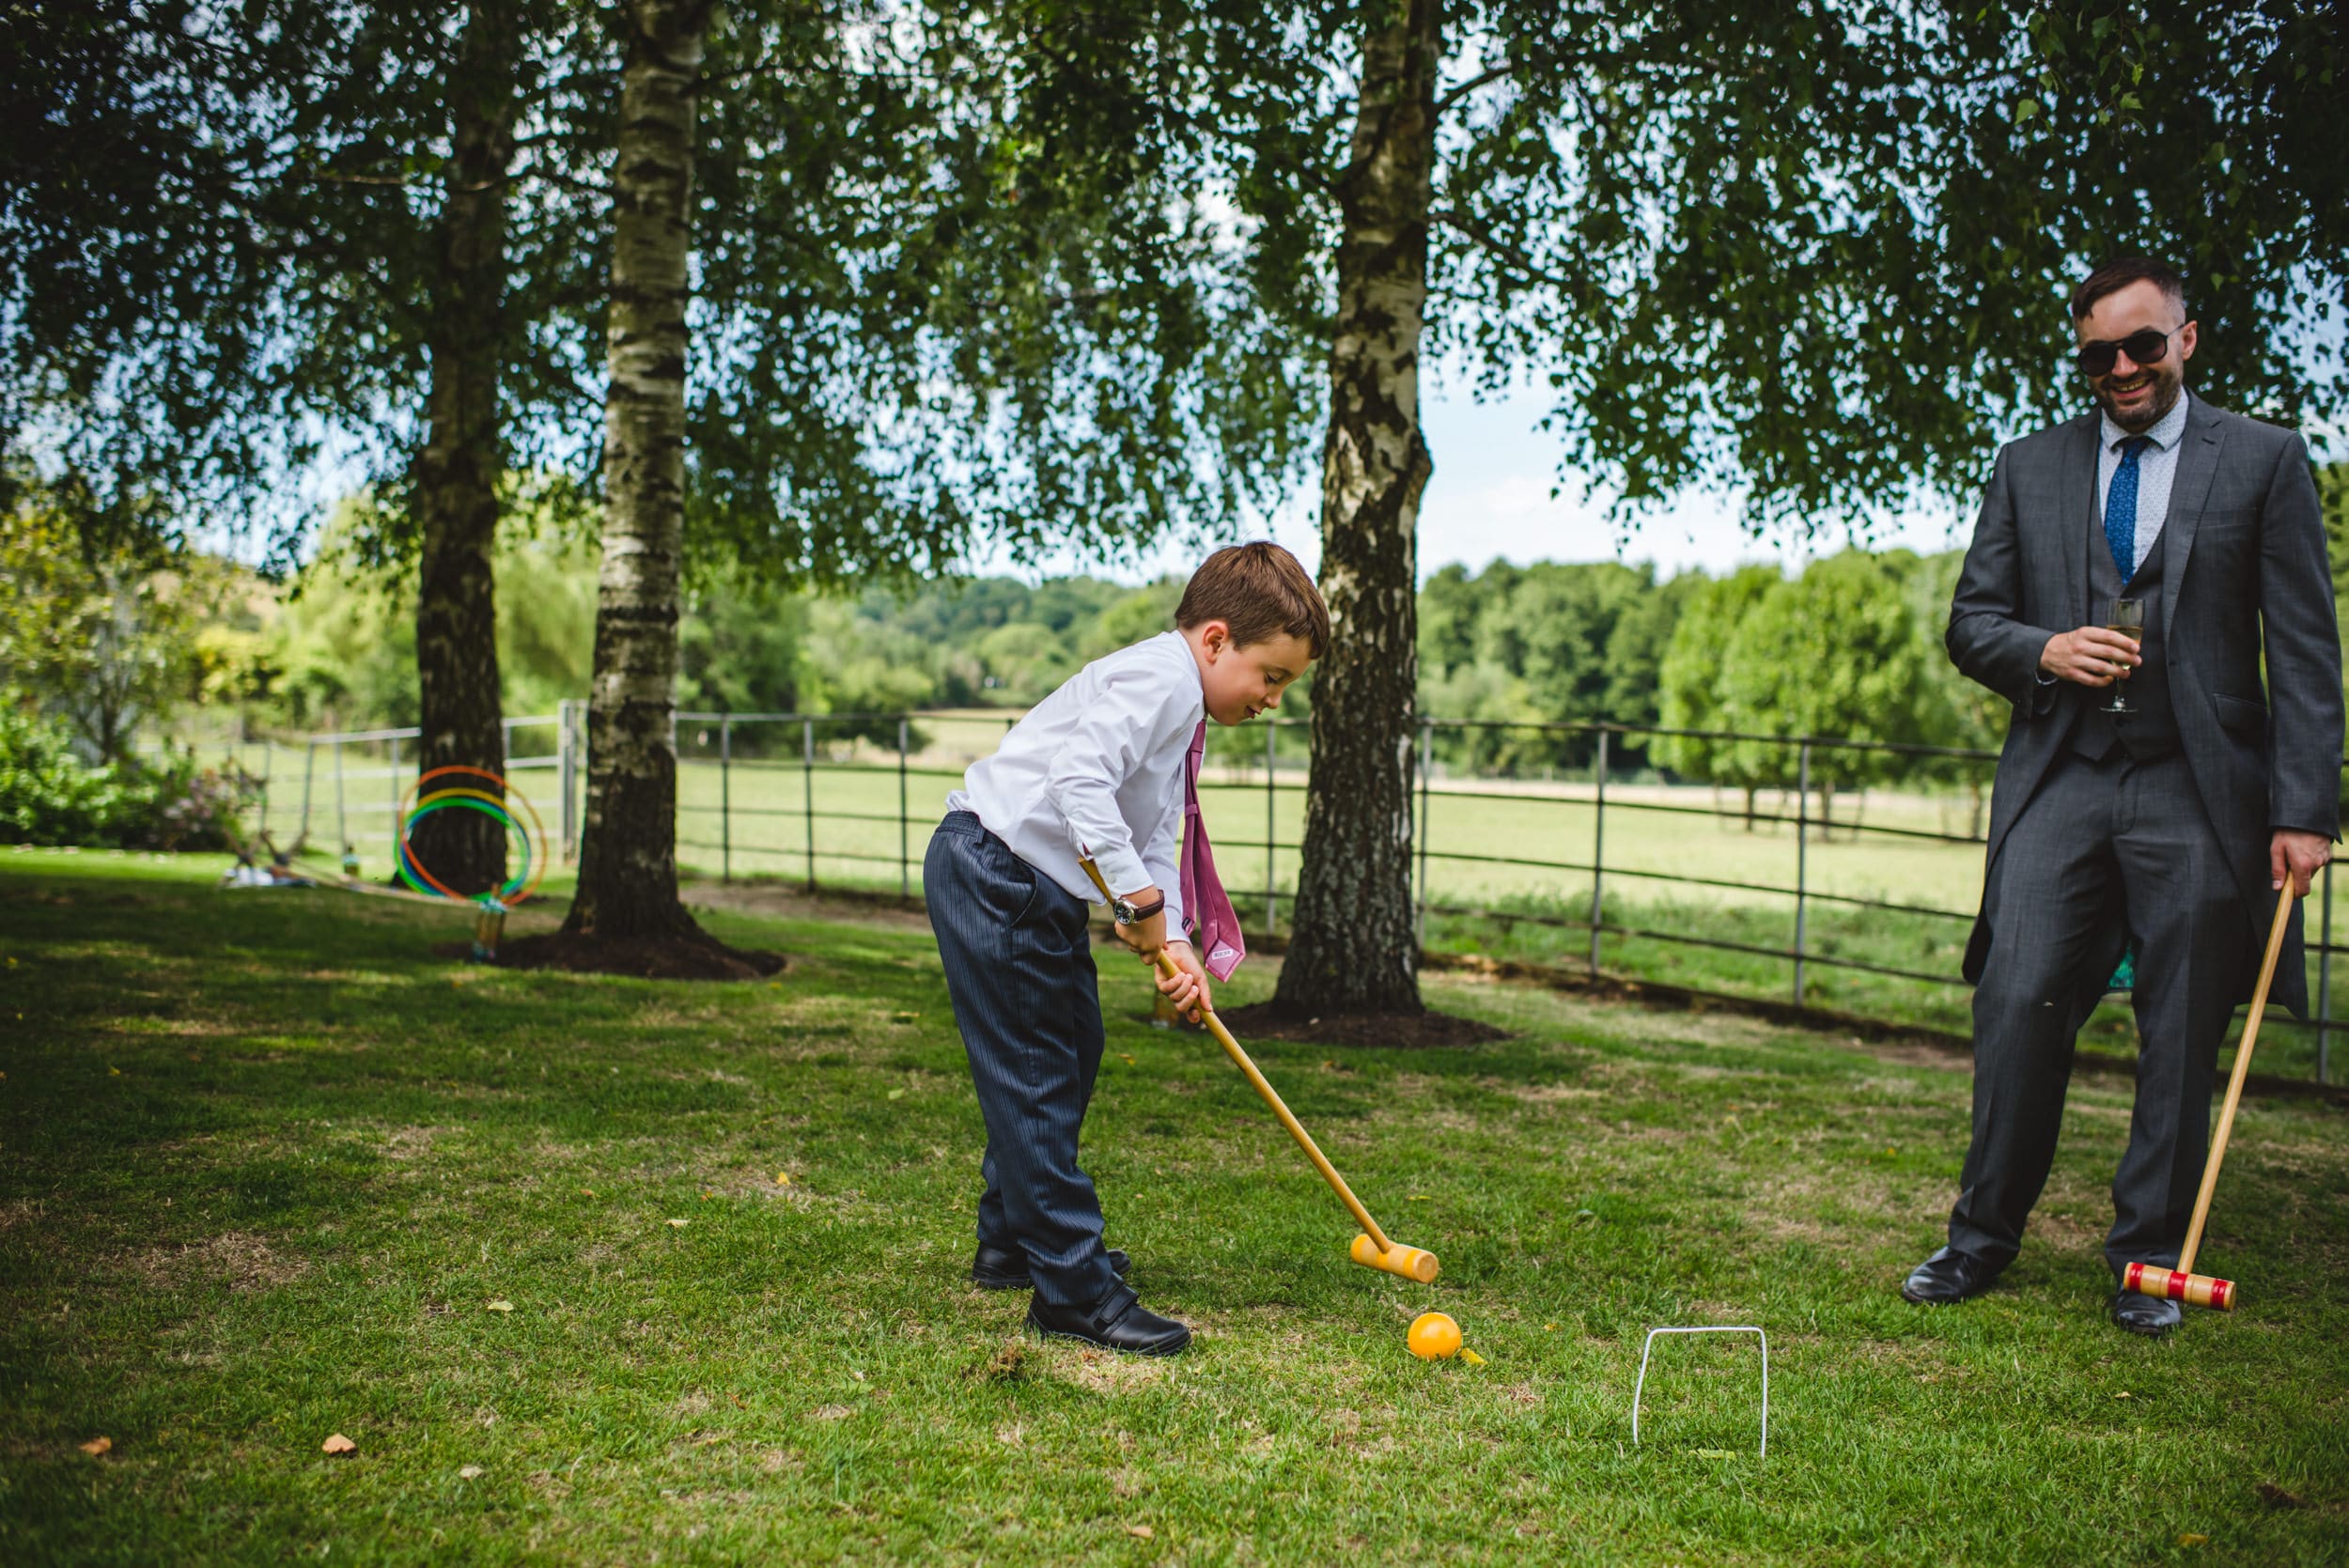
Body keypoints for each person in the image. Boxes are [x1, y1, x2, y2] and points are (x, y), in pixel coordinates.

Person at [1908, 256, 2341, 1335]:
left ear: (2185, 340)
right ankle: (1978, 1240)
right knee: (2015, 1003)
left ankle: (2148, 1257)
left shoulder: (2264, 460)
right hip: (2061, 777)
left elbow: (2302, 650)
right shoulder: (2027, 466)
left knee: (2181, 1026)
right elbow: (1972, 622)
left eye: (2141, 345)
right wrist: (2044, 647)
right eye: (2098, 352)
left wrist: (2304, 811)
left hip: (2200, 791)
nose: (2121, 368)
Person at [925, 542, 1328, 1355]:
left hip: (1029, 885)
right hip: (995, 873)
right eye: (1273, 676)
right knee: (1037, 1073)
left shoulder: (1180, 703)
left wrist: (1172, 943)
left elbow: (1150, 835)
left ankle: (1011, 1240)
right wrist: (1134, 901)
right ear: (1215, 640)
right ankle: (1072, 1290)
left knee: (1072, 1047)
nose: (1275, 699)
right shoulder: (1158, 679)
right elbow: (1078, 780)